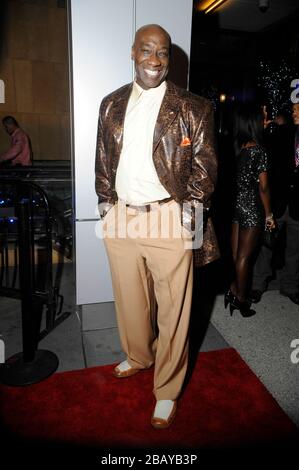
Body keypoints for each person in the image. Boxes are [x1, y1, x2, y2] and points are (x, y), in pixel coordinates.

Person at [95, 24, 218, 429]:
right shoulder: (110, 104)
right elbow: (103, 159)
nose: (154, 60)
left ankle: (166, 390)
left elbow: (205, 168)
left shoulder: (192, 107)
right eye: (147, 51)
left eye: (162, 52)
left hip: (170, 216)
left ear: (169, 58)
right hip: (122, 217)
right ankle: (139, 356)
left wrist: (191, 216)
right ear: (133, 53)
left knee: (174, 311)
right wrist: (105, 204)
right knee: (129, 301)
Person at [224, 103, 275, 317]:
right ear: (254, 122)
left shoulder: (238, 148)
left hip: (236, 206)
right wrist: (269, 214)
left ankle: (234, 290)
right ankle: (241, 299)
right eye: (262, 118)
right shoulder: (259, 151)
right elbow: (263, 187)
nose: (265, 121)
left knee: (236, 254)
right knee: (245, 257)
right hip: (252, 208)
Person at [250, 103, 299, 305]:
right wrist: (263, 129)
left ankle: (290, 286)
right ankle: (257, 284)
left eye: (298, 109)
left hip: (298, 204)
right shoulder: (282, 132)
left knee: (295, 250)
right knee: (266, 245)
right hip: (277, 200)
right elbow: (262, 150)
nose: (293, 112)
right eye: (294, 108)